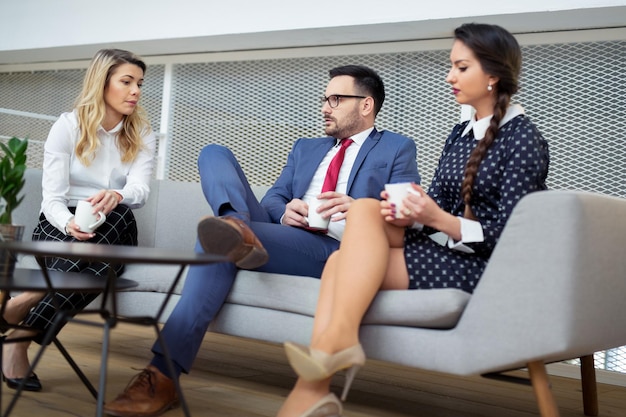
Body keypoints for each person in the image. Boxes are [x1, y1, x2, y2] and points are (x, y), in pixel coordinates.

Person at [103, 64, 421, 417]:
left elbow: (403, 214)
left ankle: (163, 374)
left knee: (215, 243)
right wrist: (286, 211)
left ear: (366, 105)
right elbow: (272, 200)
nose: (324, 107)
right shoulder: (307, 147)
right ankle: (237, 227)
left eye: (335, 99)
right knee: (214, 152)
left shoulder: (396, 147)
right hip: (282, 231)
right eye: (324, 99)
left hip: (333, 247)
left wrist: (361, 207)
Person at [277, 23, 550, 417]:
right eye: (451, 66)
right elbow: (435, 203)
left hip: (484, 267)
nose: (449, 76)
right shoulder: (461, 133)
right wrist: (410, 209)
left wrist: (436, 217)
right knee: (368, 208)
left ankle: (321, 371)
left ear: (492, 75)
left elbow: (511, 238)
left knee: (340, 259)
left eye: (460, 67)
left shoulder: (524, 140)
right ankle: (327, 366)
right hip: (444, 249)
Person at [1, 49, 156, 392]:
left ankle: (22, 317)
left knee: (118, 213)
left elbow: (140, 190)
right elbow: (53, 199)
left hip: (116, 222)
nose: (136, 91)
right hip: (62, 221)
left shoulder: (142, 132)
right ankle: (19, 339)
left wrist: (117, 195)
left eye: (140, 84)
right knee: (100, 269)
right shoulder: (67, 127)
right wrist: (68, 224)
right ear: (102, 83)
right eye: (127, 82)